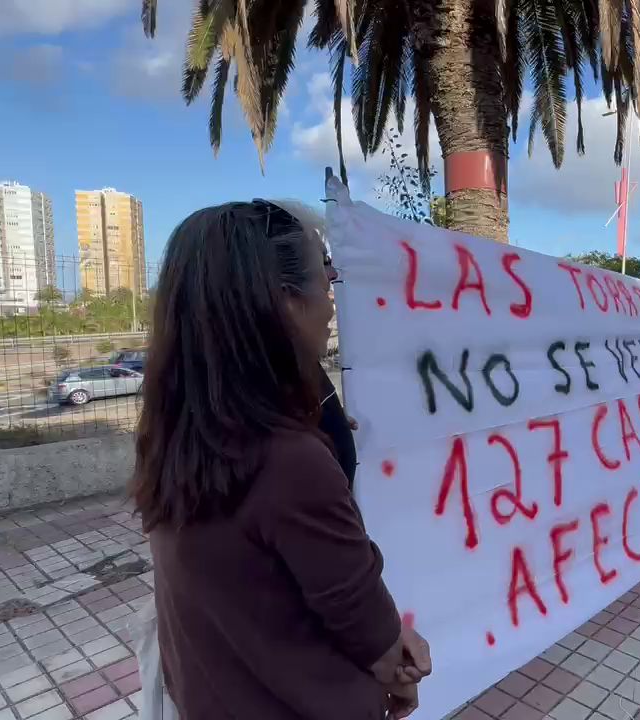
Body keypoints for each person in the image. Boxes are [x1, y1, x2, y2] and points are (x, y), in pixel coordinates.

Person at [131, 200, 432, 719]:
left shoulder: (173, 432)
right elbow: (373, 634)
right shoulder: (290, 462)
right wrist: (400, 668)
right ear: (285, 302)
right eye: (326, 277)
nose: (333, 303)